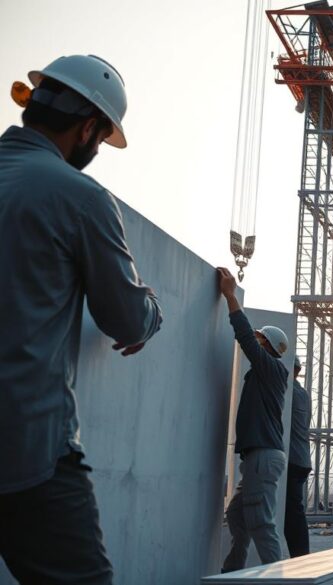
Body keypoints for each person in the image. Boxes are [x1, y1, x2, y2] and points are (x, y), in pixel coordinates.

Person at [0, 55, 162, 584]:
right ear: (89, 126)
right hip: (28, 451)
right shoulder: (80, 197)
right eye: (99, 139)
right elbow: (126, 320)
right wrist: (150, 310)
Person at [217, 267, 290, 571]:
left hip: (263, 455)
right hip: (258, 456)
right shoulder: (266, 373)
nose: (256, 342)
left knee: (261, 524)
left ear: (268, 347)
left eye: (261, 340)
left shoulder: (270, 368)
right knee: (237, 516)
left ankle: (278, 579)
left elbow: (244, 337)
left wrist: (231, 296)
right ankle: (232, 574)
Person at [284, 357, 312, 558]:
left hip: (293, 459)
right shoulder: (303, 394)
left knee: (292, 513)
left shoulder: (290, 393)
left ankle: (300, 558)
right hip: (300, 458)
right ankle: (300, 556)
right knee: (293, 511)